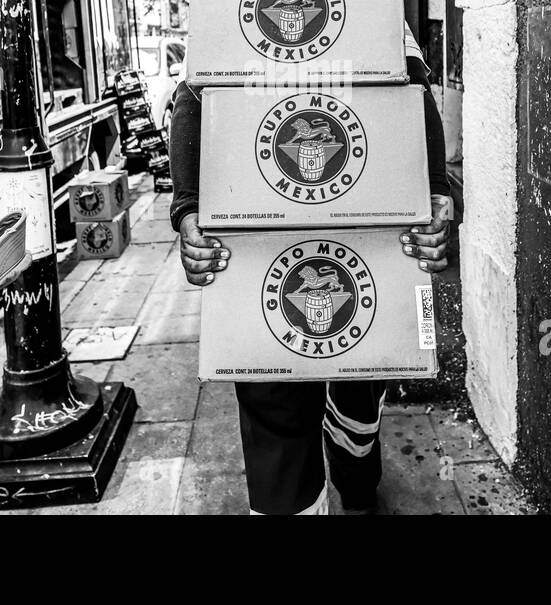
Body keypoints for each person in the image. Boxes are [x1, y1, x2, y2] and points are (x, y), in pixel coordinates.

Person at [171, 27, 452, 515]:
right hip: (254, 241)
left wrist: (437, 190)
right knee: (272, 396)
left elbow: (413, 92)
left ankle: (357, 482)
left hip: (371, 231)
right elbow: (193, 96)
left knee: (360, 385)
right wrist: (190, 209)